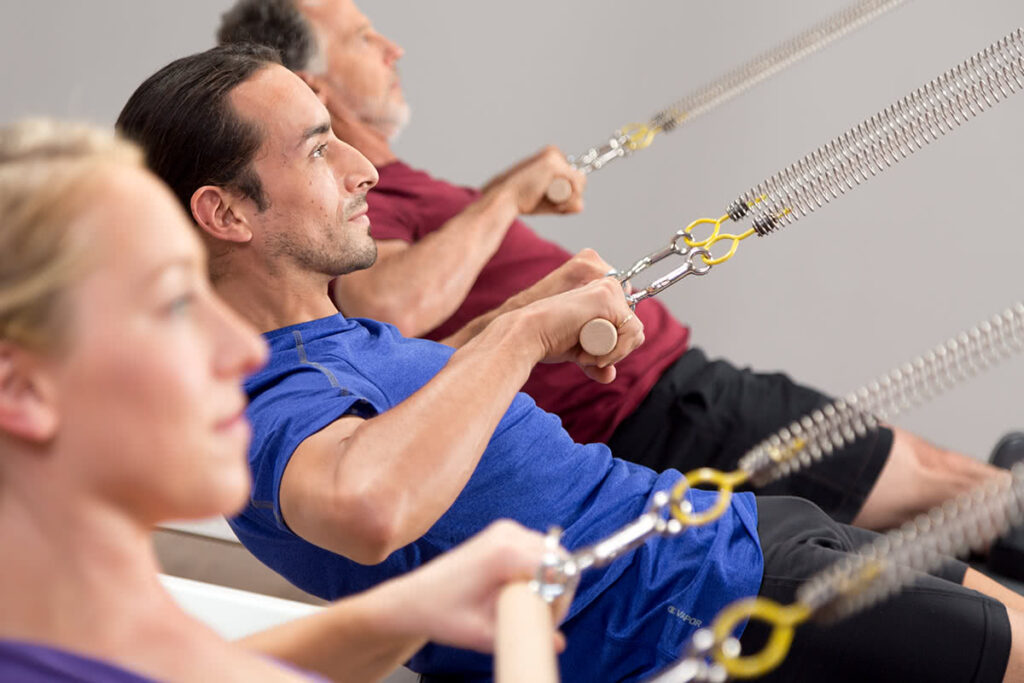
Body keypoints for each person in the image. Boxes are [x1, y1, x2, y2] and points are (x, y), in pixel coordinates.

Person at [116, 43, 1024, 682]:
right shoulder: (257, 397)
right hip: (689, 608)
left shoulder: (330, 345)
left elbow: (416, 417)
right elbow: (367, 504)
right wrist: (522, 339)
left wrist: (527, 312)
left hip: (728, 535)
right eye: (319, 148)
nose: (362, 168)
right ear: (227, 214)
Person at [215, 0, 1010, 533]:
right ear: (311, 85)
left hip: (669, 384)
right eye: (362, 37)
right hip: (654, 409)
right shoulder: (352, 204)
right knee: (951, 490)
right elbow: (393, 307)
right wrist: (508, 196)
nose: (393, 47)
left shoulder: (389, 182)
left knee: (947, 513)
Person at [0, 118, 568, 683]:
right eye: (175, 304)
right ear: (20, 388)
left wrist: (401, 614)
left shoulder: (102, 633)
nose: (244, 349)